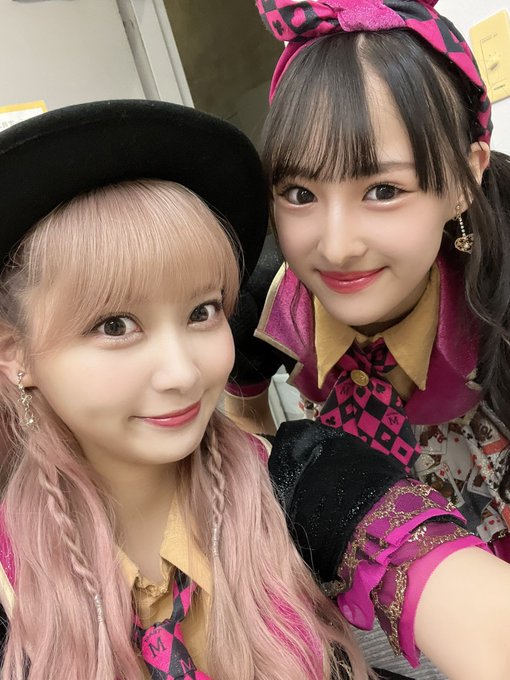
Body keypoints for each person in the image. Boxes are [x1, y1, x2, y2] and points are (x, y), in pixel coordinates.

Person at [0, 100, 373, 680]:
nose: (182, 373)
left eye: (202, 311)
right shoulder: (10, 585)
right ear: (15, 354)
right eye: (115, 326)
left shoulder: (300, 479)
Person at [223, 0, 510, 676]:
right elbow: (246, 423)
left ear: (464, 176)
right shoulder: (258, 296)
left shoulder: (499, 283)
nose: (335, 246)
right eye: (299, 193)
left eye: (382, 189)